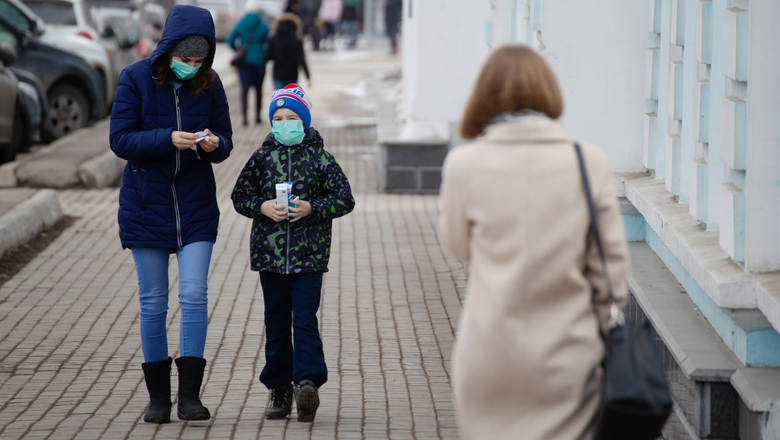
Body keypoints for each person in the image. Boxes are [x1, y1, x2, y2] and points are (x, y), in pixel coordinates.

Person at [438, 44, 629, 440]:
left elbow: (457, 246)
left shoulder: (464, 164)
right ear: (547, 91)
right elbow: (610, 268)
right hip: (568, 355)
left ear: (483, 95)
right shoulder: (586, 161)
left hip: (488, 353)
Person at [109, 4, 233, 425]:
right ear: (167, 51)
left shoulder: (210, 84)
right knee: (153, 302)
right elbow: (121, 139)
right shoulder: (135, 77)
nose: (190, 67)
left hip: (196, 208)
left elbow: (227, 138)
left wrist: (216, 145)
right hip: (146, 207)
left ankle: (190, 398)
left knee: (194, 295)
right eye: (184, 59)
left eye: (198, 61)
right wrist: (167, 139)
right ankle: (158, 398)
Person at [231, 84, 354, 423]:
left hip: (309, 258)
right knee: (276, 323)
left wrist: (312, 208)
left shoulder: (319, 158)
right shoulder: (261, 158)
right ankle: (280, 388)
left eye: (292, 118)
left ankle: (307, 383)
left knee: (304, 321)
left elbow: (344, 199)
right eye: (278, 119)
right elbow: (239, 197)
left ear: (304, 121)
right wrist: (262, 206)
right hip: (269, 259)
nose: (285, 124)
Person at [226, 0, 270, 125]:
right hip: (260, 61)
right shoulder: (262, 24)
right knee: (258, 89)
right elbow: (268, 40)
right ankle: (257, 117)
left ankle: (244, 118)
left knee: (244, 89)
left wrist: (238, 49)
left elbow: (230, 39)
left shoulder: (241, 22)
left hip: (244, 62)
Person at [265, 13, 311, 91]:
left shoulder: (274, 39)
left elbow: (267, 57)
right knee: (290, 99)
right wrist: (308, 76)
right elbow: (301, 59)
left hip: (278, 74)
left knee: (279, 99)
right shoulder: (297, 40)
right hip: (292, 74)